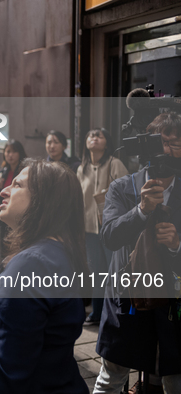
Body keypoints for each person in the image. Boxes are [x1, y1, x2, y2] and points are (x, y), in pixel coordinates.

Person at [0, 159, 88, 394]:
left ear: (43, 200)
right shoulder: (49, 254)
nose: (4, 190)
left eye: (17, 185)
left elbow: (12, 373)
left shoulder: (33, 263)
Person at [94, 112, 181, 394]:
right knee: (112, 375)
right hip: (128, 296)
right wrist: (141, 210)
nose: (167, 150)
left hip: (172, 302)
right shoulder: (123, 187)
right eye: (162, 142)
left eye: (176, 143)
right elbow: (109, 238)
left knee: (174, 378)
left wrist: (176, 245)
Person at [76, 129, 128, 326]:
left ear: (107, 143)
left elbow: (126, 193)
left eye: (100, 135)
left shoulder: (115, 163)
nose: (94, 138)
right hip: (89, 229)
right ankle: (97, 313)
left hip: (111, 228)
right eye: (90, 135)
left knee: (114, 271)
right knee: (96, 272)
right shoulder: (82, 168)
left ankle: (115, 313)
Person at [0, 140, 27, 258]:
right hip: (4, 216)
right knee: (5, 248)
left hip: (18, 216)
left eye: (13, 152)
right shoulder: (3, 172)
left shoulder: (23, 172)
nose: (10, 155)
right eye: (7, 152)